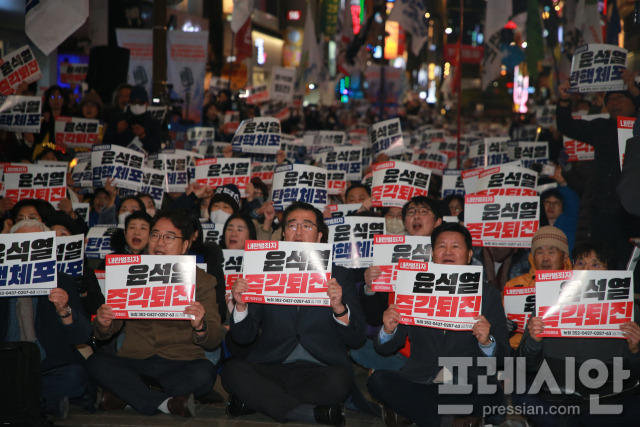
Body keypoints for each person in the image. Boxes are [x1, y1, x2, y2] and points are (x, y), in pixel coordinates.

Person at [221, 201, 367, 425]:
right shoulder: (261, 270)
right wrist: (241, 307)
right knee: (232, 372)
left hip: (322, 369)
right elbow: (243, 337)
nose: (298, 232)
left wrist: (338, 308)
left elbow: (356, 338)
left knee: (340, 382)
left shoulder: (340, 275)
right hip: (273, 366)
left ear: (319, 236)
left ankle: (256, 400)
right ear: (283, 234)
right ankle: (310, 413)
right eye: (292, 225)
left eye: (307, 226)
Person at [367, 222, 510, 426]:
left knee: (491, 391)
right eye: (442, 246)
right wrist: (389, 330)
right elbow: (385, 347)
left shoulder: (488, 294)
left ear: (469, 255)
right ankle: (447, 421)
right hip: (422, 380)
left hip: (467, 382)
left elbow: (503, 355)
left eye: (455, 246)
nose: (448, 252)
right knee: (377, 380)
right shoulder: (412, 287)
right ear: (433, 253)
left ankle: (421, 415)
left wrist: (487, 342)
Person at [87, 210, 222, 417]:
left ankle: (128, 396)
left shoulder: (202, 280)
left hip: (180, 362)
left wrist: (200, 326)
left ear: (185, 245)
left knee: (205, 374)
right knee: (95, 363)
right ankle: (166, 403)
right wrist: (104, 324)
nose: (160, 242)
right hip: (135, 361)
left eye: (169, 237)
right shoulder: (129, 271)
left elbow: (213, 339)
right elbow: (105, 333)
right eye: (155, 235)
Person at [514, 240, 640, 426]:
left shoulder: (629, 310)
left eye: (595, 264)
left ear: (610, 272)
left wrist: (635, 349)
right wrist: (534, 341)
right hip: (554, 392)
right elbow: (524, 364)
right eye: (580, 263)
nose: (586, 269)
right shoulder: (548, 304)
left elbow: (635, 371)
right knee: (522, 393)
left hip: (605, 395)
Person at [0, 219, 93, 419]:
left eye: (34, 243)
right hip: (6, 365)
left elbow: (83, 335)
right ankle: (43, 404)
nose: (26, 250)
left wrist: (64, 309)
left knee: (75, 377)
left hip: (48, 367)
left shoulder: (62, 281)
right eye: (20, 243)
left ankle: (20, 403)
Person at [556, 76, 639, 268]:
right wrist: (564, 99)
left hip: (633, 213)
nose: (614, 103)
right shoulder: (601, 127)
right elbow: (566, 126)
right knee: (603, 262)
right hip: (602, 211)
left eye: (620, 98)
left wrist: (636, 92)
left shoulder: (638, 125)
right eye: (610, 99)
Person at [353, 196, 444, 372]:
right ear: (405, 223)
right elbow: (373, 318)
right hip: (399, 350)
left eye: (424, 212)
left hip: (441, 350)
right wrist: (370, 287)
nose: (416, 216)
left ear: (438, 222)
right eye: (411, 213)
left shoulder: (450, 255)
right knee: (357, 350)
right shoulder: (389, 256)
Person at [503, 226, 573, 349]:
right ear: (533, 257)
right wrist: (502, 326)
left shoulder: (579, 286)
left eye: (551, 252)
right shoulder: (514, 286)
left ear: (565, 257)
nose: (545, 258)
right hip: (520, 352)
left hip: (565, 354)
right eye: (540, 252)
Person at [103, 85, 162, 154]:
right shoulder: (118, 120)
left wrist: (143, 136)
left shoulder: (154, 123)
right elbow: (105, 144)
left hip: (145, 162)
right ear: (130, 103)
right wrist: (117, 131)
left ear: (146, 103)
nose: (137, 105)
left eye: (140, 102)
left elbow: (157, 148)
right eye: (134, 102)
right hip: (120, 160)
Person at [540, 165, 580, 253]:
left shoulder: (569, 221)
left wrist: (562, 183)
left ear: (563, 206)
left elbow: (572, 201)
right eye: (547, 202)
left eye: (556, 203)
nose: (551, 206)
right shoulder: (533, 226)